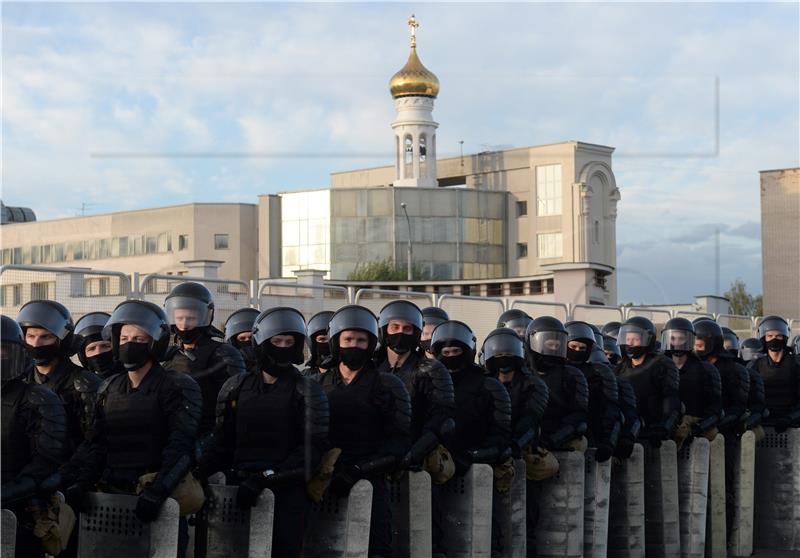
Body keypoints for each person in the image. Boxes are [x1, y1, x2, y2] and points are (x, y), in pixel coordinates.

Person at [62, 300, 203, 557]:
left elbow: (182, 443)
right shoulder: (109, 387)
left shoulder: (178, 385)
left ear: (154, 342)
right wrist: (82, 482)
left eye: (138, 338)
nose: (129, 343)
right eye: (124, 337)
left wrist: (160, 490)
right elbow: (97, 442)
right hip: (112, 497)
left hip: (156, 497)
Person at [207, 307, 329, 558]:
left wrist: (268, 477)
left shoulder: (308, 390)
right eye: (276, 341)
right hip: (238, 490)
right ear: (261, 342)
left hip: (287, 494)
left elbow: (312, 449)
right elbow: (222, 440)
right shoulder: (236, 386)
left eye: (289, 342)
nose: (282, 347)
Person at [319, 305, 411, 558]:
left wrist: (361, 470)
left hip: (370, 477)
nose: (354, 345)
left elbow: (399, 441)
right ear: (337, 341)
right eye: (348, 339)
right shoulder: (317, 384)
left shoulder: (389, 385)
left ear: (371, 344)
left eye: (361, 340)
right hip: (322, 478)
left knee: (376, 548)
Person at [431, 320, 512, 558]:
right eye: (445, 353)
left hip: (478, 464)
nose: (451, 357)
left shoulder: (489, 385)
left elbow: (502, 435)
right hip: (440, 463)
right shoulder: (430, 381)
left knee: (486, 527)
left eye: (456, 352)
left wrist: (475, 456)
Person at [1, 315, 68, 558]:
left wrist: (6, 494)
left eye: (3, 351)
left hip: (21, 514)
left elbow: (45, 466)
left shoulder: (40, 399)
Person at [482, 327, 548, 558]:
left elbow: (531, 419)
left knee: (526, 510)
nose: (504, 359)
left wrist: (514, 445)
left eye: (508, 353)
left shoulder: (533, 384)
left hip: (521, 451)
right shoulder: (484, 383)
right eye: (498, 354)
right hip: (491, 450)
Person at [162, 282, 246, 439]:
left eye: (191, 318)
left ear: (205, 317)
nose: (184, 324)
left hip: (208, 434)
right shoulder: (169, 355)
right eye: (180, 318)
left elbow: (234, 405)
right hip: (174, 434)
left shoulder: (224, 354)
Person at [17, 300, 100, 457]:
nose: (36, 343)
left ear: (61, 339)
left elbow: (94, 441)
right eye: (31, 336)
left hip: (68, 468)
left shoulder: (84, 383)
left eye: (45, 337)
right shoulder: (20, 380)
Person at [616, 316, 681, 446]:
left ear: (648, 339)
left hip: (653, 426)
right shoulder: (620, 367)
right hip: (629, 424)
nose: (630, 343)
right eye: (628, 339)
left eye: (636, 339)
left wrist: (664, 426)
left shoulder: (662, 364)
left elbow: (671, 398)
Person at [661, 318, 722, 447]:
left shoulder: (706, 369)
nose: (677, 343)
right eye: (672, 339)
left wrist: (698, 428)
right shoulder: (659, 367)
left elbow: (715, 407)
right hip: (665, 425)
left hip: (696, 426)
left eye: (681, 338)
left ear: (690, 340)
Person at [565, 321, 621, 461]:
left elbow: (610, 409)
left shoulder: (599, 373)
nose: (576, 351)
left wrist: (608, 442)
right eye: (573, 346)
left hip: (590, 431)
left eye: (581, 348)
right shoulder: (556, 370)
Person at [750, 315, 800, 431]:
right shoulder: (756, 365)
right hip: (763, 422)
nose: (774, 339)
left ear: (784, 337)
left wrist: (790, 418)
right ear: (763, 338)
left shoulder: (795, 364)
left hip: (791, 423)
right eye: (770, 336)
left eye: (778, 336)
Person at [74, 312, 122, 380]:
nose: (98, 352)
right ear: (83, 356)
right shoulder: (78, 384)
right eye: (92, 349)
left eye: (105, 346)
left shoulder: (131, 380)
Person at [223, 307, 261, 373]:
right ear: (234, 341)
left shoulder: (270, 363)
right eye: (242, 338)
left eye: (251, 338)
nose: (247, 341)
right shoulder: (227, 366)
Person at [304, 310, 335, 380]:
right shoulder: (304, 377)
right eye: (322, 339)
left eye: (331, 339)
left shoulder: (348, 375)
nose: (328, 343)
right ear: (314, 344)